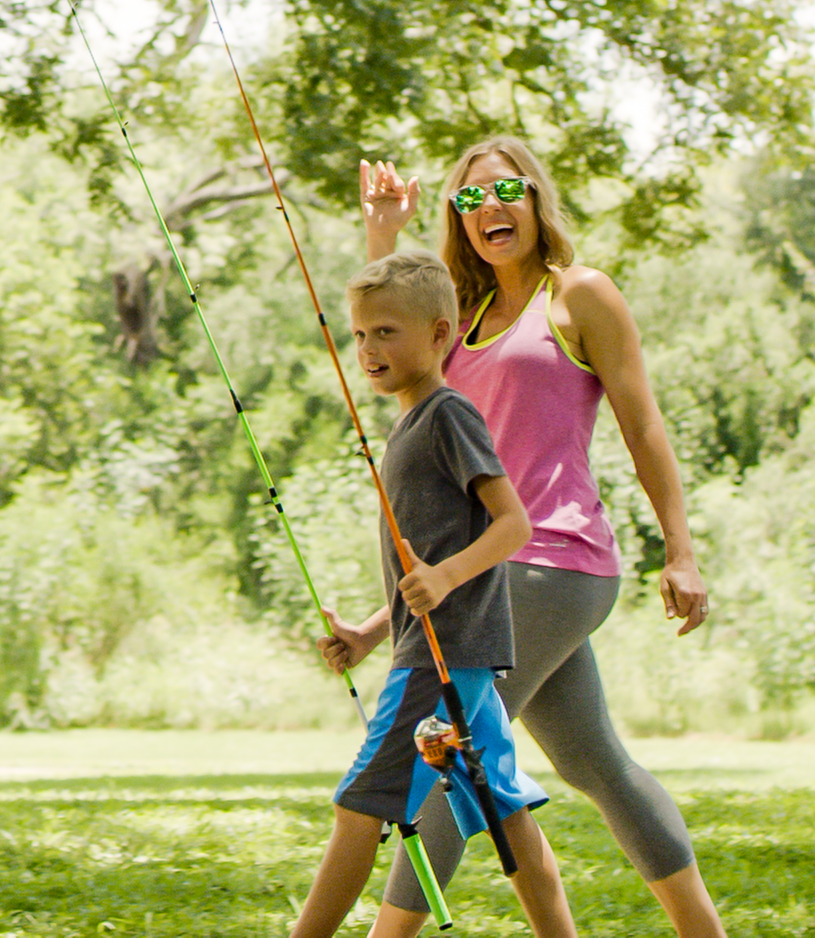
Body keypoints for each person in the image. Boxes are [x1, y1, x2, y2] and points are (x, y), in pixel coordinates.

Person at [343, 139, 729, 938]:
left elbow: (643, 422)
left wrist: (680, 549)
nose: (490, 207)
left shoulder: (579, 295)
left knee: (444, 759)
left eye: (506, 190)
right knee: (595, 764)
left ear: (535, 199)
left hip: (557, 561)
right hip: (492, 576)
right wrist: (383, 236)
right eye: (470, 198)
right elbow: (401, 355)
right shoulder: (465, 319)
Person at [293, 252, 574, 938]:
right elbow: (425, 570)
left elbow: (513, 524)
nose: (368, 348)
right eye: (359, 334)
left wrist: (445, 578)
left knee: (361, 804)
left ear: (440, 333)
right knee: (506, 814)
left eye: (387, 331)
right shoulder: (412, 422)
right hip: (451, 657)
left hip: (442, 663)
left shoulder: (448, 415)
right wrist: (367, 631)